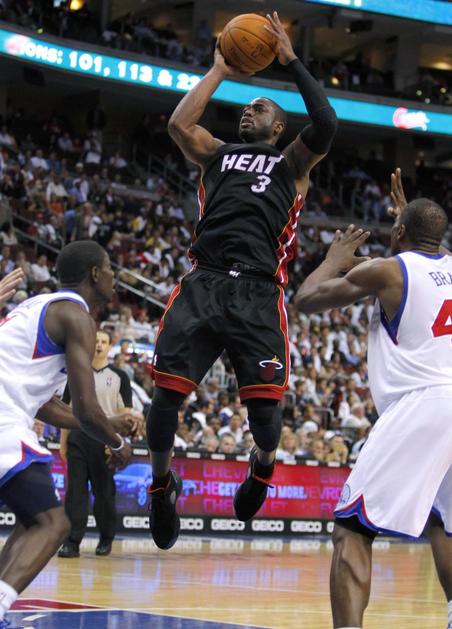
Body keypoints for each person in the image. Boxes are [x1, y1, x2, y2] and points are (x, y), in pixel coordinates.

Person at [146, 10, 337, 550]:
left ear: (278, 128)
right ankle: (160, 487)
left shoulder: (292, 164)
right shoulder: (217, 154)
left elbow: (326, 124)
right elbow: (179, 126)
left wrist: (291, 61)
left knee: (265, 413)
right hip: (203, 283)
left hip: (258, 292)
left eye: (260, 108)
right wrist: (219, 71)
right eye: (246, 107)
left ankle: (263, 464)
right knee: (164, 398)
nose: (248, 111)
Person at [295, 169, 452, 629]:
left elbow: (306, 299)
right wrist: (405, 222)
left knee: (352, 527)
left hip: (423, 405)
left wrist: (334, 258)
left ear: (399, 233)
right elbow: (424, 263)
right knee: (444, 521)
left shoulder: (387, 270)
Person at [0, 240, 132, 627]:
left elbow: (46, 405)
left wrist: (107, 423)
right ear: (95, 273)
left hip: (9, 414)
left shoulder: (37, 308)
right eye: (110, 268)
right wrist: (117, 442)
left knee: (34, 518)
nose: (114, 276)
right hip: (4, 417)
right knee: (55, 524)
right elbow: (89, 410)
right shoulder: (77, 317)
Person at [58, 330, 134, 558]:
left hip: (105, 438)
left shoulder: (120, 376)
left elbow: (126, 415)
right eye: (96, 341)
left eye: (103, 342)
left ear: (109, 347)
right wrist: (63, 442)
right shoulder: (75, 373)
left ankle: (106, 538)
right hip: (78, 436)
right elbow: (65, 411)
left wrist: (116, 442)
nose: (99, 345)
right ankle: (72, 542)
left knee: (104, 492)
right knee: (75, 491)